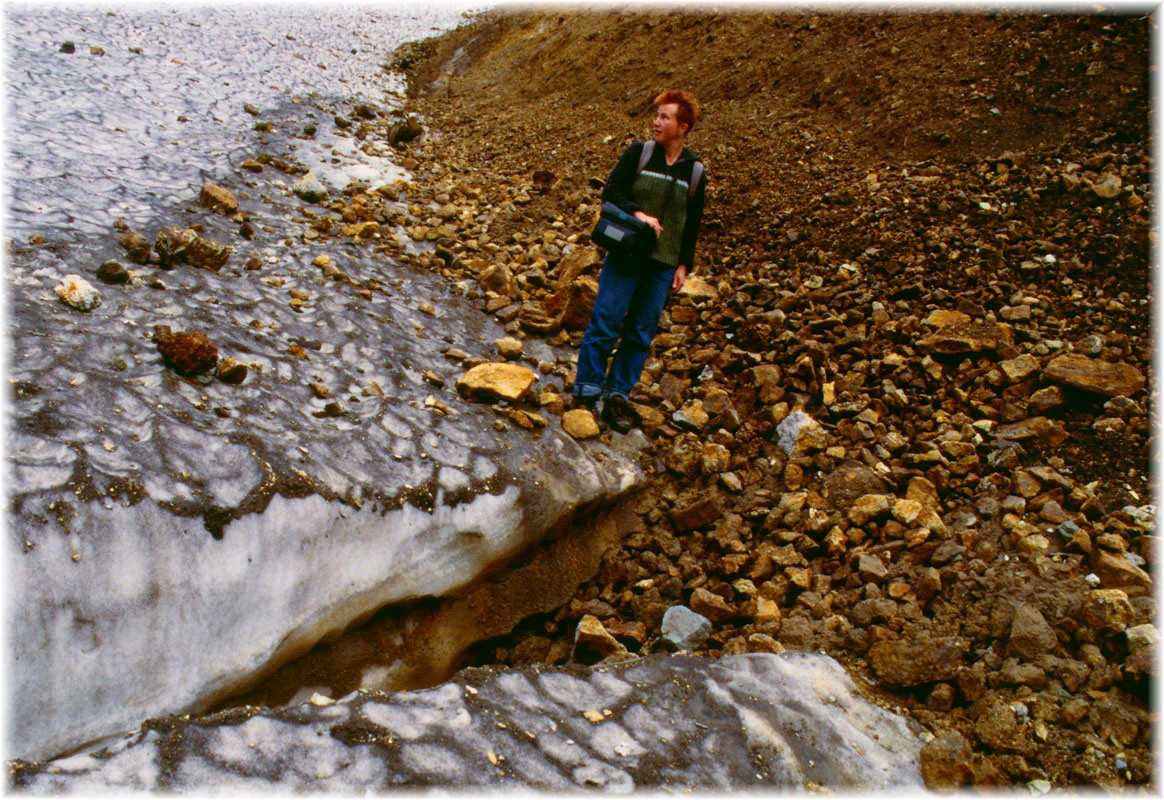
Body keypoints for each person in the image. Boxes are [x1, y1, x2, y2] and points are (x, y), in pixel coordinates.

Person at [572, 89, 707, 434]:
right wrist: (640, 214)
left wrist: (683, 265)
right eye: (657, 115)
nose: (656, 122)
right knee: (606, 320)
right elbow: (612, 191)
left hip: (662, 264)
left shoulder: (694, 172)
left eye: (665, 117)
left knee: (641, 333)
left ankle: (617, 396)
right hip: (626, 253)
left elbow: (691, 223)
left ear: (683, 127)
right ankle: (586, 391)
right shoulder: (640, 153)